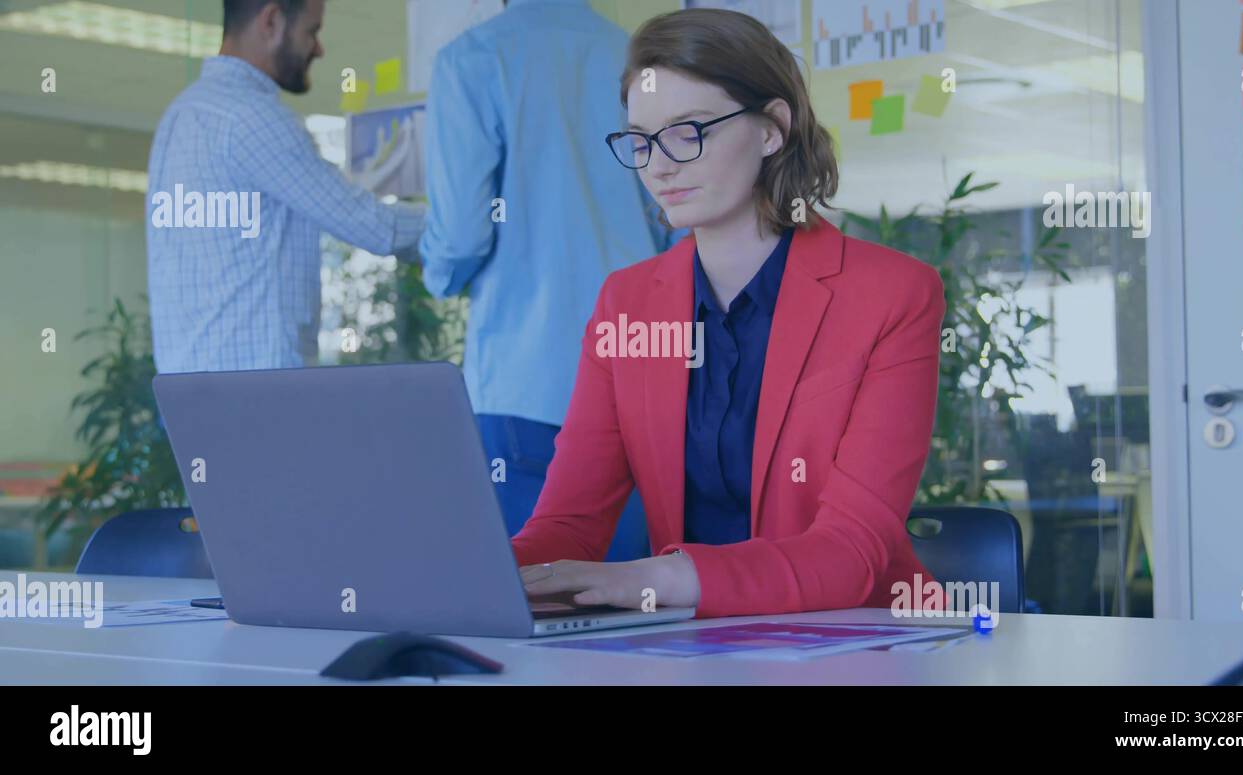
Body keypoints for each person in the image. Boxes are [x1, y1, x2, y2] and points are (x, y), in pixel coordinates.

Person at [511, 8, 947, 618]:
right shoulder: (627, 303)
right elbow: (569, 524)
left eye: (689, 131)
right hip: (691, 640)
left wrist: (650, 578)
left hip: (861, 636)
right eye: (640, 140)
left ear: (771, 129)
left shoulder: (893, 294)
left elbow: (851, 553)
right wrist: (488, 578)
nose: (658, 165)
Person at [420, 0, 675, 560]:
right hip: (643, 372)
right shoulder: (638, 58)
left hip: (527, 379)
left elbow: (460, 236)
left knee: (535, 610)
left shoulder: (473, 59)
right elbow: (679, 219)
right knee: (642, 614)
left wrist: (438, 273)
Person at [147, 0, 425, 373]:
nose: (319, 48)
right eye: (312, 31)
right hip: (254, 395)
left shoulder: (180, 116)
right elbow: (375, 226)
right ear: (272, 21)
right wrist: (478, 226)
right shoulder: (252, 117)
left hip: (192, 396)